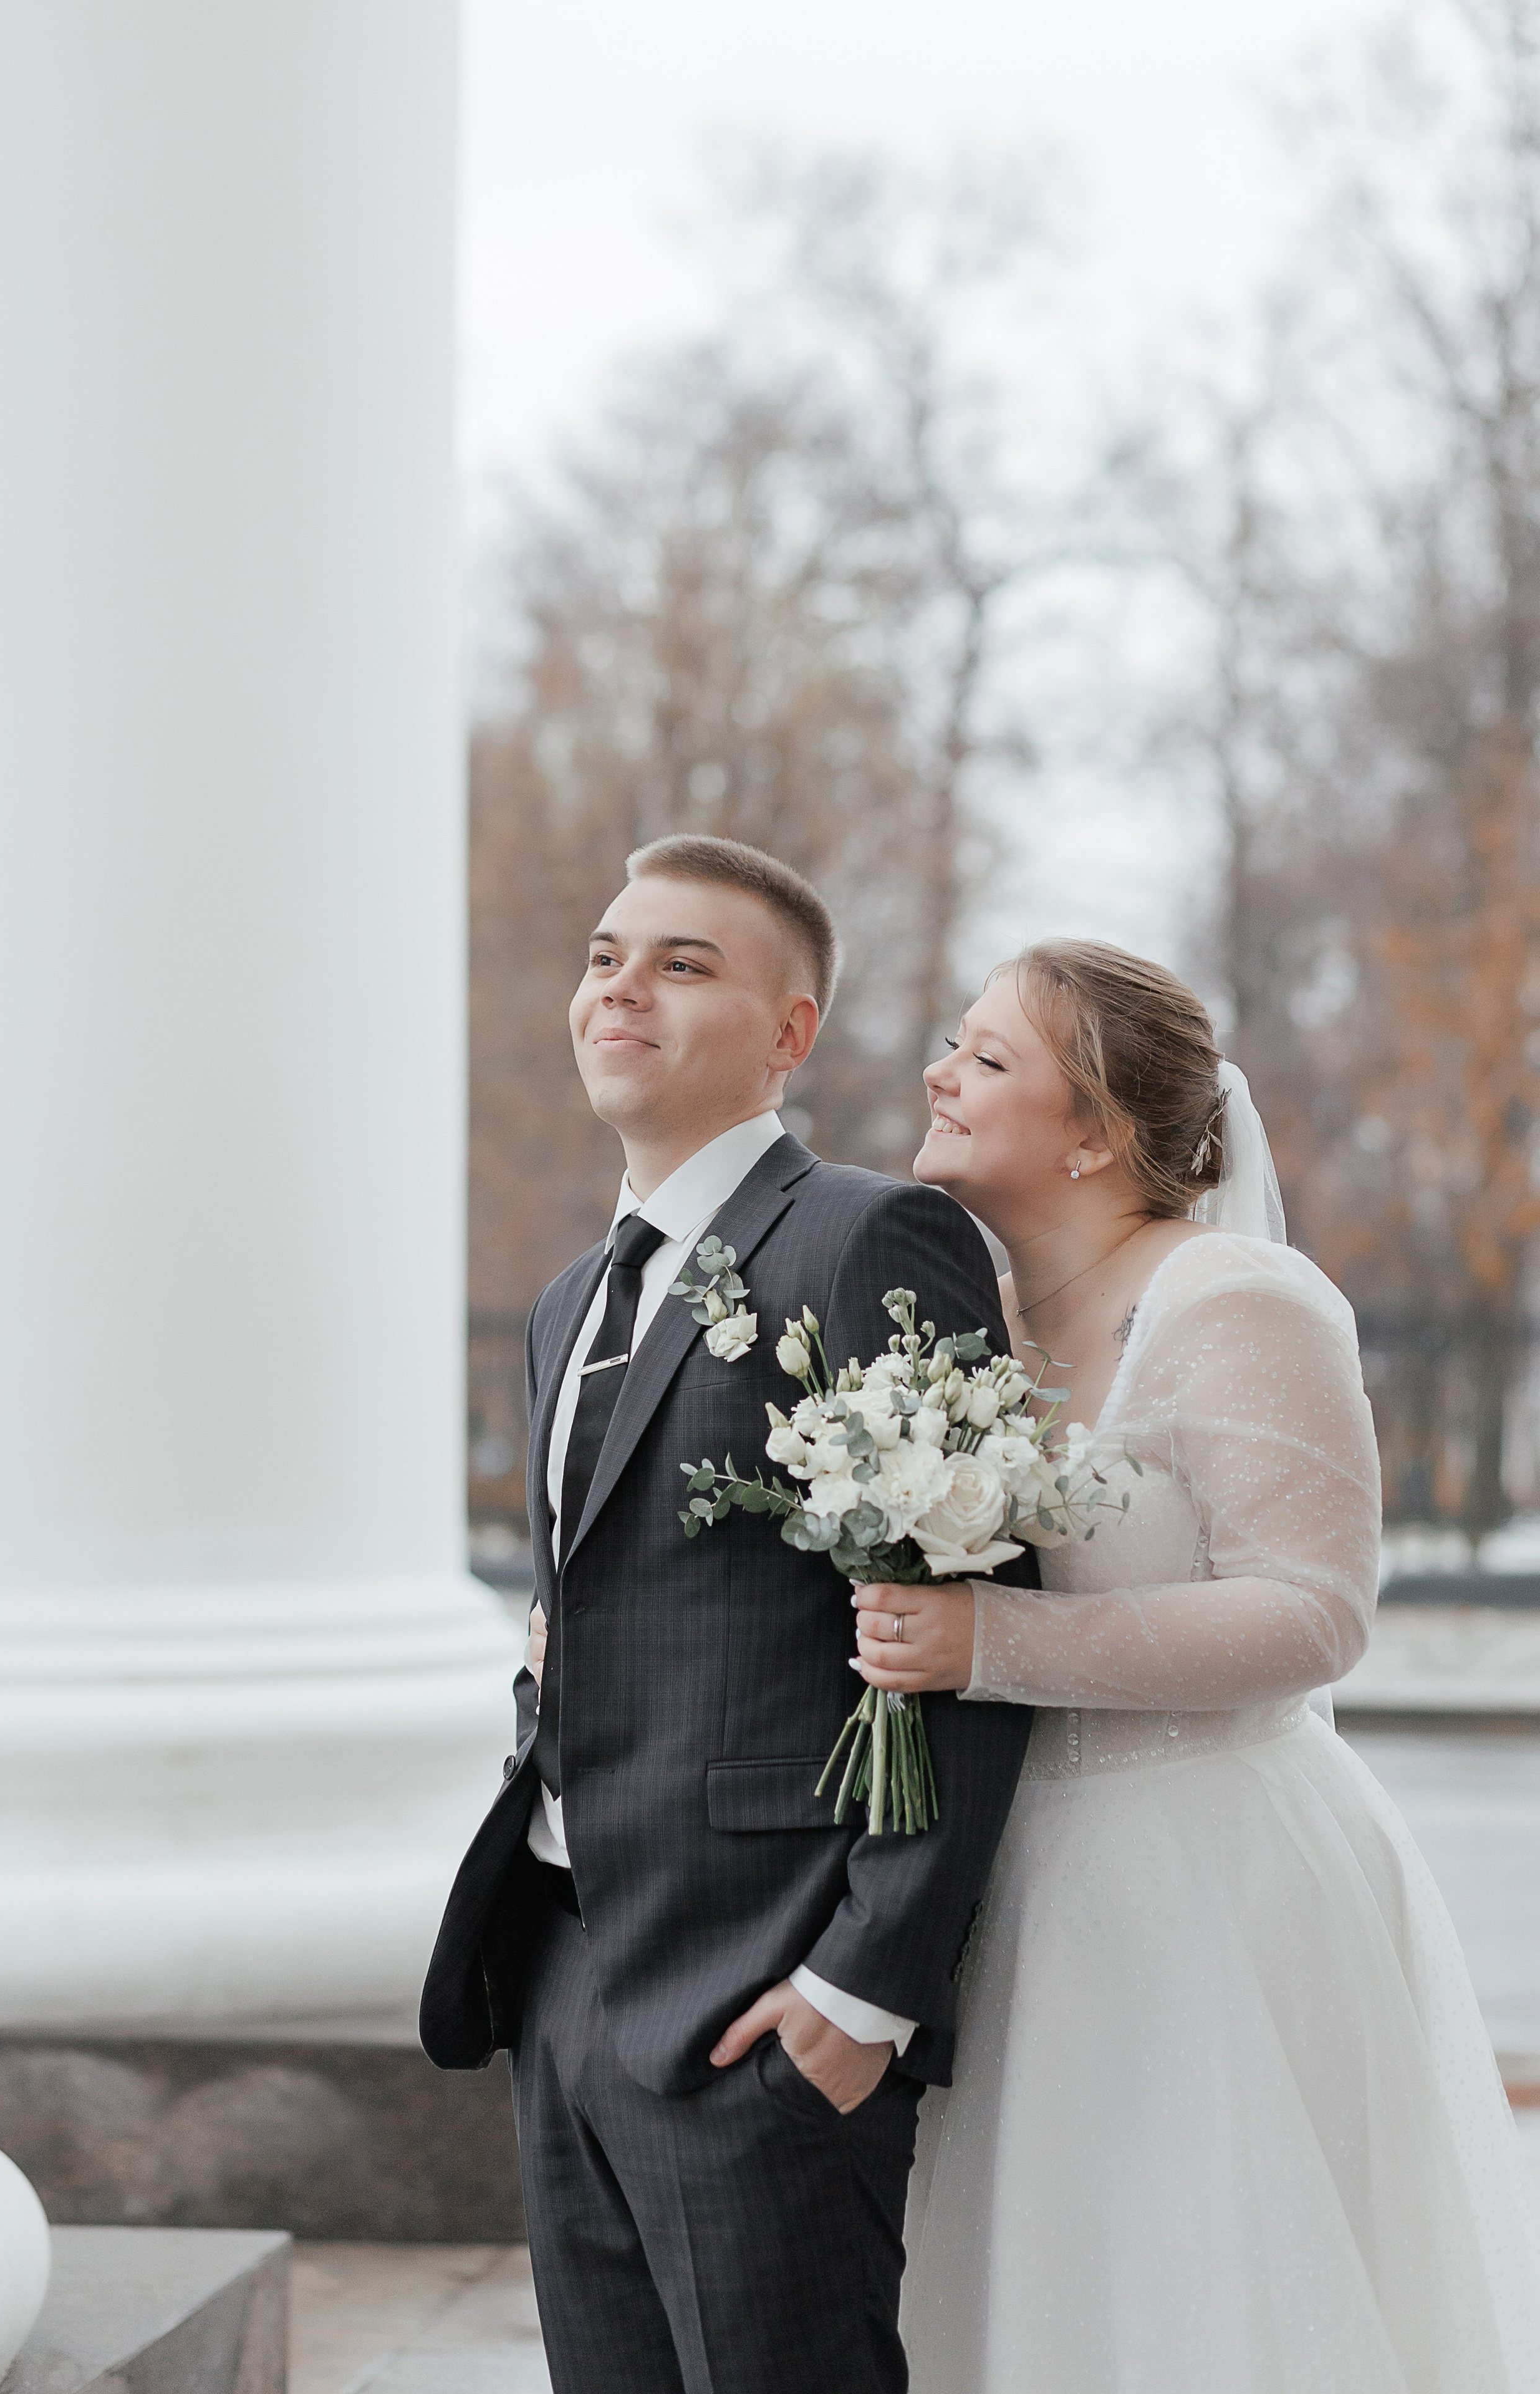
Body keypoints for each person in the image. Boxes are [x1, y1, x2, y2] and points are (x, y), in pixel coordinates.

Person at [851, 937, 1540, 2393]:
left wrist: (997, 1646)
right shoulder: (968, 1314)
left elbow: (1311, 1612)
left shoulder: (1234, 1297)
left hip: (1201, 1885)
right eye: (953, 1042)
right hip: (1008, 1878)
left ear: (1094, 1133)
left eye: (986, 1057)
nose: (940, 1072)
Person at [420, 834, 1038, 2394]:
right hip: (563, 1970)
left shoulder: (872, 1239)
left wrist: (861, 1988)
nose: (620, 986)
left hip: (767, 1995)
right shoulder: (571, 1301)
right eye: (604, 957)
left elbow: (972, 1624)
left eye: (681, 963)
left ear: (788, 1033)